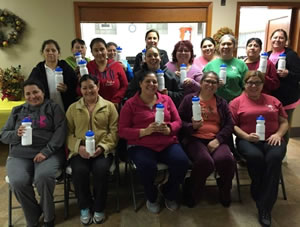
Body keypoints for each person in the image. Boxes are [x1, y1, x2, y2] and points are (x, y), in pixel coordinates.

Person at [119, 71, 189, 213]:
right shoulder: (130, 104)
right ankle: (151, 196)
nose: (152, 84)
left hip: (167, 142)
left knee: (182, 162)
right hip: (141, 144)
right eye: (148, 81)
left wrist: (169, 129)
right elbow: (122, 130)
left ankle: (169, 191)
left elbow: (178, 122)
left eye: (155, 82)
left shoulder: (166, 100)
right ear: (140, 84)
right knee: (147, 166)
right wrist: (144, 131)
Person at [0, 80, 66, 227]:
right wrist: (16, 134)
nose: (32, 96)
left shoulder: (53, 108)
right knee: (17, 181)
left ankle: (49, 216)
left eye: (35, 92)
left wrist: (46, 151)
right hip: (20, 154)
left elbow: (61, 132)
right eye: (28, 94)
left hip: (48, 152)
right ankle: (33, 215)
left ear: (42, 92)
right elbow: (3, 135)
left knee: (43, 177)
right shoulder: (17, 110)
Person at [230, 70, 288, 227]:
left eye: (257, 82)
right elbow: (233, 126)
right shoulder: (236, 102)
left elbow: (283, 122)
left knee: (274, 158)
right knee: (256, 157)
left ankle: (265, 207)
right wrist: (246, 137)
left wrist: (278, 134)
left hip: (272, 139)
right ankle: (259, 187)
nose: (253, 86)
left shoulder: (273, 100)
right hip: (248, 140)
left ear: (263, 85)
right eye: (250, 82)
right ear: (245, 84)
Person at [66, 74, 118, 225]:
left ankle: (99, 207)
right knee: (79, 171)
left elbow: (114, 131)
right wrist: (78, 147)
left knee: (101, 171)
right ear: (80, 90)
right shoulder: (73, 108)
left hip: (102, 150)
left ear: (98, 87)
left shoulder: (109, 106)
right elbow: (67, 133)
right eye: (84, 88)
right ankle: (84, 206)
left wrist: (103, 147)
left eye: (91, 87)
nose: (88, 91)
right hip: (79, 151)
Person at [178, 71, 235, 208]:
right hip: (194, 139)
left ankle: (224, 189)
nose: (210, 84)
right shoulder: (189, 99)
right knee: (205, 162)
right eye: (207, 81)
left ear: (217, 86)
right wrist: (191, 126)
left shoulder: (221, 102)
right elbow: (179, 121)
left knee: (227, 160)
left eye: (214, 82)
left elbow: (230, 124)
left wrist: (218, 140)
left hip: (216, 139)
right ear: (201, 83)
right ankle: (192, 188)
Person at [267, 29, 300, 145]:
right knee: (272, 124)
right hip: (271, 97)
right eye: (275, 37)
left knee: (284, 124)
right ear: (271, 39)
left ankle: (282, 152)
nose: (277, 40)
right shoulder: (267, 55)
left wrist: (288, 74)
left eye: (281, 38)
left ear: (286, 41)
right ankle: (272, 148)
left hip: (287, 98)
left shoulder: (291, 55)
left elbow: (298, 75)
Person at [29, 39, 77, 112]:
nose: (50, 53)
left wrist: (67, 88)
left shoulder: (66, 67)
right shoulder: (38, 70)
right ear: (42, 53)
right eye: (47, 50)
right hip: (45, 111)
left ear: (58, 53)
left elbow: (76, 85)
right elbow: (30, 88)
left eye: (53, 50)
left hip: (66, 109)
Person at [204, 34, 248, 102]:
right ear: (219, 46)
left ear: (234, 47)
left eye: (229, 44)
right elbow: (204, 87)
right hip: (214, 102)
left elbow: (246, 87)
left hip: (235, 103)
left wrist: (237, 101)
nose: (226, 46)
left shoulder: (241, 65)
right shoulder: (210, 65)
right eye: (223, 44)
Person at [86, 38, 128, 108]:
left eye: (102, 49)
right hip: (94, 107)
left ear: (106, 50)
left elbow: (125, 86)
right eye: (96, 50)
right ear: (92, 52)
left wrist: (116, 100)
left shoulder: (117, 65)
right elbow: (81, 88)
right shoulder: (88, 67)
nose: (99, 53)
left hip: (114, 105)